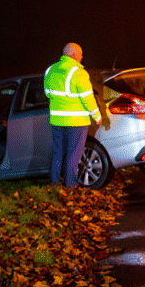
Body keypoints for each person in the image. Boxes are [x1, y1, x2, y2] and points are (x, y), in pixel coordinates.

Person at [44, 43, 102, 188]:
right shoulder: (79, 73)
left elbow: (47, 93)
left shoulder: (50, 70)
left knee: (58, 152)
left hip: (57, 120)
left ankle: (55, 182)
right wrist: (97, 116)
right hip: (77, 122)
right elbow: (88, 98)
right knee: (73, 155)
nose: (82, 58)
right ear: (75, 54)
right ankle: (70, 185)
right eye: (81, 54)